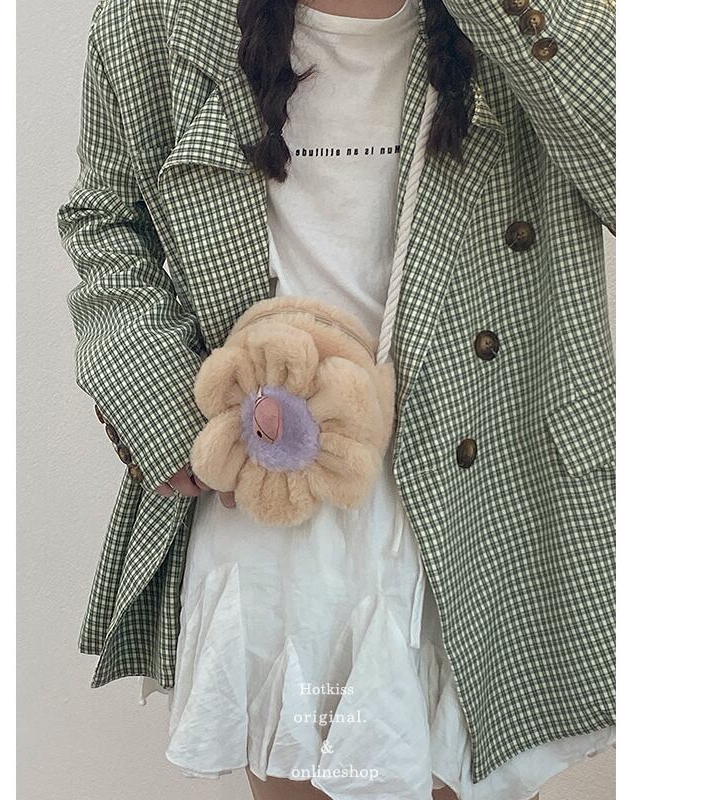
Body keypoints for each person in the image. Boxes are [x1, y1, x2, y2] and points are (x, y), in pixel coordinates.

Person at [57, 1, 616, 798]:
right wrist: (171, 407)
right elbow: (105, 220)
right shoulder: (161, 17)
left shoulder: (531, 19)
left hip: (485, 498)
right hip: (276, 503)